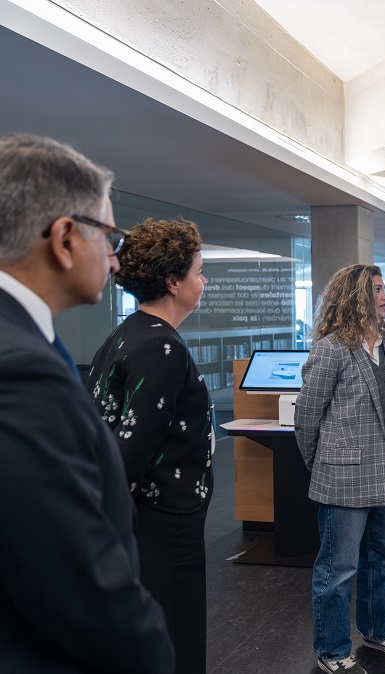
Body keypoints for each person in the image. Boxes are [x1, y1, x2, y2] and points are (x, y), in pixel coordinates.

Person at [0, 133, 174, 672]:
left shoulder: (26, 341)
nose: (118, 261)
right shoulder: (21, 371)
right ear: (66, 238)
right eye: (110, 235)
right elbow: (77, 581)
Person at [86, 218, 212, 673]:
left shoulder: (127, 334)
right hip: (164, 525)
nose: (204, 281)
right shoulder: (162, 347)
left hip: (145, 522)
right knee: (176, 637)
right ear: (173, 282)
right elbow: (132, 451)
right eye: (198, 272)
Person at [295, 264, 385, 674]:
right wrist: (324, 466)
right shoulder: (331, 349)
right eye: (378, 290)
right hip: (342, 476)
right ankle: (331, 651)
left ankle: (379, 631)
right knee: (339, 569)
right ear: (355, 296)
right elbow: (307, 418)